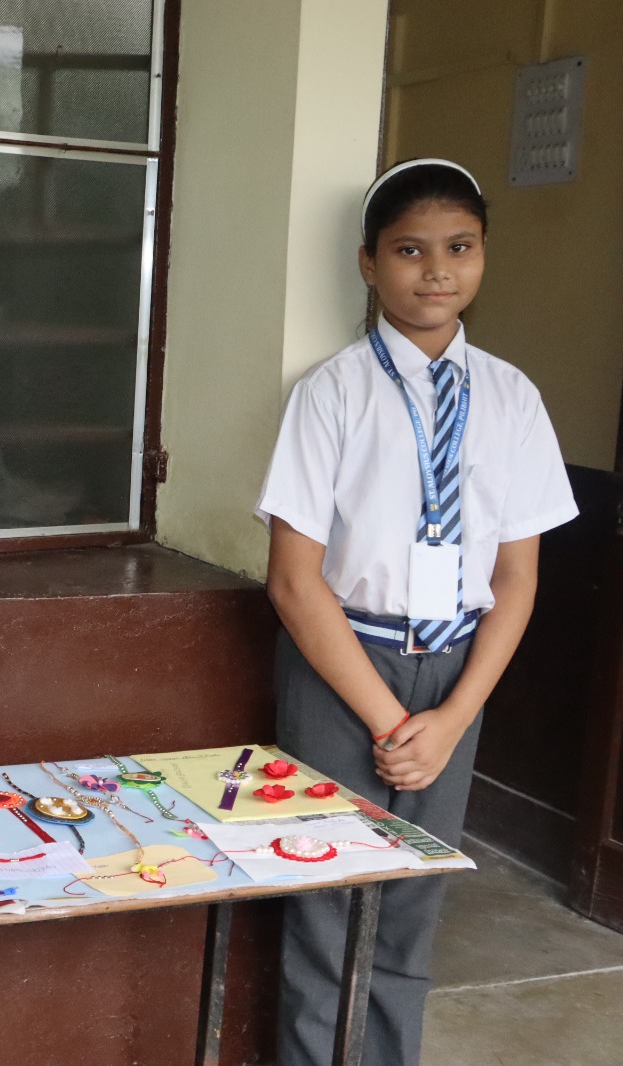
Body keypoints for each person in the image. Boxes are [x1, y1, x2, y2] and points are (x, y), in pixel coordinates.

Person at [255, 158, 577, 1066]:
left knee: (413, 898)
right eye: (409, 250)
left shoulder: (513, 398)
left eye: (459, 248)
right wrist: (393, 722)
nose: (436, 270)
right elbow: (294, 581)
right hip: (343, 668)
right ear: (369, 263)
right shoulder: (332, 393)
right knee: (325, 895)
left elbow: (517, 579)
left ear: (484, 256)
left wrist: (452, 718)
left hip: (455, 677)